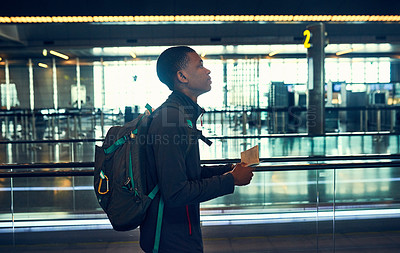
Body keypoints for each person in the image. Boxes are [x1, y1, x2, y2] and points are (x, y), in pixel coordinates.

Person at [140, 46, 254, 253]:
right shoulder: (171, 120)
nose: (207, 71)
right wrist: (231, 180)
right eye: (200, 65)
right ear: (182, 76)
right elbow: (175, 192)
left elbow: (186, 173)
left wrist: (228, 170)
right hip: (169, 239)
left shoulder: (180, 116)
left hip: (180, 232)